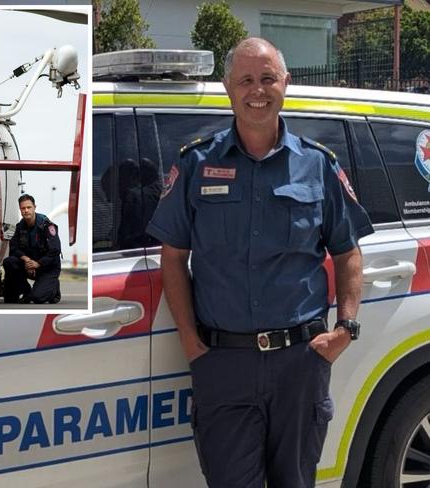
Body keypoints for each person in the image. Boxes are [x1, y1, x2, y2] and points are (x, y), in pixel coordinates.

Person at [146, 38, 374, 487]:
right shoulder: (195, 163)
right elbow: (172, 257)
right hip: (223, 363)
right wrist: (193, 345)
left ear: (285, 83)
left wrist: (345, 329)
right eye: (246, 79)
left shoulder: (318, 165)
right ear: (228, 88)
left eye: (268, 78)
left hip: (300, 363)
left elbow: (348, 251)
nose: (258, 90)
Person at [3, 194, 61, 304]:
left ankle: (54, 289)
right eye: (23, 208)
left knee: (38, 298)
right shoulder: (20, 227)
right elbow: (14, 248)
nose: (26, 211)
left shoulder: (46, 225)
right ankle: (26, 291)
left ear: (35, 207)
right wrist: (26, 260)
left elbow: (55, 250)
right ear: (20, 209)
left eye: (29, 207)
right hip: (29, 265)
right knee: (9, 262)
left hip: (47, 267)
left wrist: (38, 263)